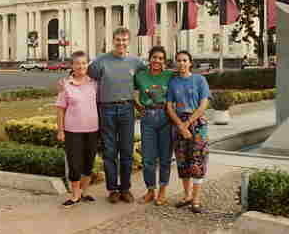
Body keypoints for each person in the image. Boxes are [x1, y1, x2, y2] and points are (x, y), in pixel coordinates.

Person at [88, 27, 145, 204]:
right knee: (110, 151)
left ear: (129, 42)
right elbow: (84, 75)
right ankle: (112, 189)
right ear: (113, 40)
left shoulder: (136, 62)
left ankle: (125, 188)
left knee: (127, 151)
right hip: (106, 109)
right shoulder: (100, 61)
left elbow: (148, 79)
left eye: (124, 40)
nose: (121, 43)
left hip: (127, 109)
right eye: (118, 40)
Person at [166, 50, 211, 213]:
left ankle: (196, 198)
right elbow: (169, 106)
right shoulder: (173, 82)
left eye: (185, 60)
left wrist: (188, 123)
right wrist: (180, 125)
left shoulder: (200, 80)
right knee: (182, 160)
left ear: (190, 62)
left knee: (197, 160)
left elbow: (203, 104)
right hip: (178, 124)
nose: (182, 63)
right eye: (178, 60)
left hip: (197, 124)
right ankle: (187, 196)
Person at [55, 51, 99, 207]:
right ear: (72, 66)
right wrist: (60, 130)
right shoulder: (65, 85)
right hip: (72, 131)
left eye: (83, 63)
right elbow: (60, 109)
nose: (80, 66)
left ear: (87, 65)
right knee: (74, 164)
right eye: (77, 63)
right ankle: (75, 195)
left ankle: (84, 191)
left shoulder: (94, 83)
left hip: (92, 129)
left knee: (88, 163)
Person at [134, 46, 174, 206]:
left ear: (164, 61)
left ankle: (162, 191)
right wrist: (138, 107)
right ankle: (151, 190)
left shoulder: (170, 75)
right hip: (148, 118)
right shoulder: (140, 76)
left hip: (165, 117)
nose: (157, 60)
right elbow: (126, 89)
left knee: (165, 158)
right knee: (148, 158)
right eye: (154, 57)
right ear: (149, 58)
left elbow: (185, 78)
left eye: (160, 58)